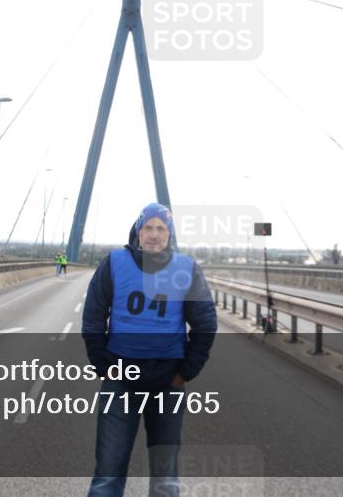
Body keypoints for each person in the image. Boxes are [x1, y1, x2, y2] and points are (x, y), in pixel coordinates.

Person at [82, 202, 217, 497]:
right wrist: (103, 366)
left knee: (165, 478)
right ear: (137, 232)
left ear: (169, 235)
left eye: (161, 229)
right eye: (148, 228)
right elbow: (93, 315)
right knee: (107, 475)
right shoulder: (114, 263)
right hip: (120, 382)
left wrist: (185, 372)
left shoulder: (187, 269)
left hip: (168, 383)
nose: (154, 234)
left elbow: (205, 324)